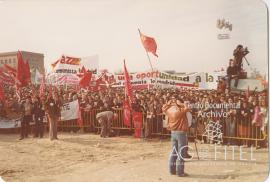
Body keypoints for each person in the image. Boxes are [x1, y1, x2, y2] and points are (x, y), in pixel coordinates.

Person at [162, 96, 189, 177]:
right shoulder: (181, 110)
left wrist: (168, 103)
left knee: (174, 151)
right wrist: (181, 103)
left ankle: (172, 170)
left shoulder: (169, 110)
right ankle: (180, 172)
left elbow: (163, 108)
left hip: (173, 132)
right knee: (181, 152)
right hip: (181, 133)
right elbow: (187, 107)